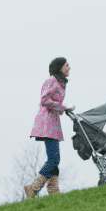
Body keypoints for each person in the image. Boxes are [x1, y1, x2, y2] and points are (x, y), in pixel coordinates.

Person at [25, 57, 74, 198]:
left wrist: (64, 108)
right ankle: (33, 188)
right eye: (67, 65)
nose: (69, 68)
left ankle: (53, 191)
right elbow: (44, 99)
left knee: (54, 158)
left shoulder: (60, 82)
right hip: (47, 123)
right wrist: (63, 107)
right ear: (60, 67)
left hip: (53, 123)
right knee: (54, 159)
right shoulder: (51, 81)